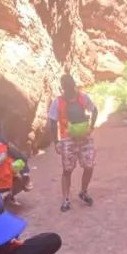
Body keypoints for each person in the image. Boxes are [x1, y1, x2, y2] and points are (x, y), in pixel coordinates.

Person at [46, 75, 97, 213]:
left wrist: (91, 127)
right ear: (63, 88)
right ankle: (66, 199)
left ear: (73, 85)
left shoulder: (83, 97)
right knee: (67, 170)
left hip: (84, 137)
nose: (68, 89)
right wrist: (56, 142)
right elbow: (52, 122)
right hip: (67, 138)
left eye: (69, 86)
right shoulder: (58, 102)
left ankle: (83, 192)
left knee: (89, 166)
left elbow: (94, 110)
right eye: (66, 87)